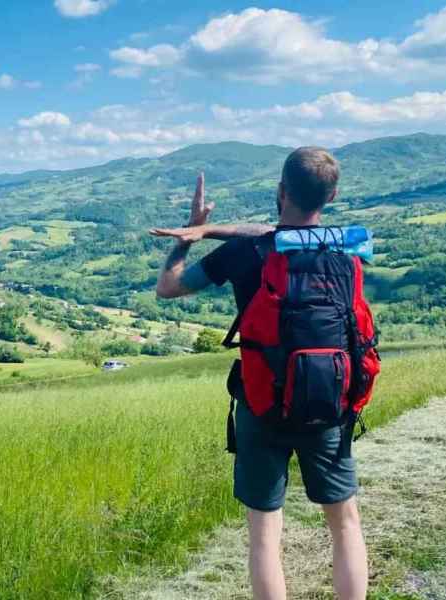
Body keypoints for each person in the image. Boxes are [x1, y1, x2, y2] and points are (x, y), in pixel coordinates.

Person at [150, 147, 368, 600]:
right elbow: (279, 232)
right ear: (331, 196)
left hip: (261, 404)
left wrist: (189, 237)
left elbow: (168, 288)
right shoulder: (347, 248)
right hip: (327, 402)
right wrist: (210, 227)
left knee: (265, 534)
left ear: (281, 190)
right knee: (345, 523)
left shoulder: (245, 252)